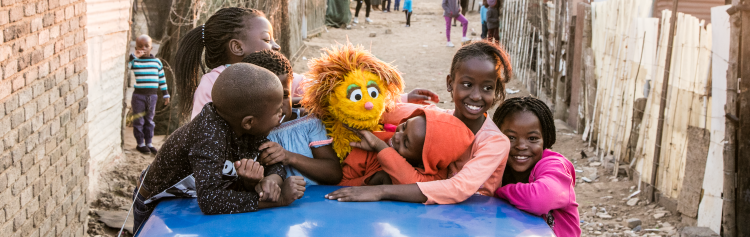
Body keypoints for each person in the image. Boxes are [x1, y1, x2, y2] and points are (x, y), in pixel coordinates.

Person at [325, 41, 513, 204]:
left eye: (487, 88)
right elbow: (376, 110)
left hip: (477, 218)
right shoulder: (432, 118)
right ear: (450, 83)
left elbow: (458, 188)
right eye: (467, 84)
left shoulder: (494, 142)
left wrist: (380, 191)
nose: (476, 95)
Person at [131, 63, 305, 232]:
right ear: (249, 122)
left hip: (186, 201)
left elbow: (271, 158)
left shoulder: (244, 125)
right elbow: (211, 200)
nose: (281, 114)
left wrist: (272, 181)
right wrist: (277, 200)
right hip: (154, 202)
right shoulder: (209, 134)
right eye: (276, 112)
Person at [241, 49, 342, 186]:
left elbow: (334, 173)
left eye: (284, 96)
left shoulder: (308, 122)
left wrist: (289, 157)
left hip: (317, 203)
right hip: (276, 205)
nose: (279, 106)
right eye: (269, 99)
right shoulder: (248, 130)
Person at [492, 96, 581, 237]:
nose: (521, 146)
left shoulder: (554, 165)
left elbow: (539, 200)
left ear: (546, 139)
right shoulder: (496, 163)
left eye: (532, 138)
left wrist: (499, 192)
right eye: (511, 137)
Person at [172, 7, 281, 119]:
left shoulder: (277, 76)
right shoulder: (212, 83)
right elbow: (202, 131)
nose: (277, 46)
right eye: (267, 39)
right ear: (237, 47)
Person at [339, 108, 475, 186]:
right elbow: (338, 183)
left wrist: (380, 148)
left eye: (406, 143)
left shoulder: (434, 175)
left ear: (423, 163)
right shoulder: (373, 143)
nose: (396, 136)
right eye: (403, 127)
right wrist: (370, 181)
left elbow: (412, 183)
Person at [128, 34, 170, 155]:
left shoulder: (157, 62)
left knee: (150, 120)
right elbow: (128, 68)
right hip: (138, 96)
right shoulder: (135, 61)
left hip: (152, 97)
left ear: (151, 47)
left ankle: (149, 143)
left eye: (147, 46)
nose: (144, 48)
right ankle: (140, 143)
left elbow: (162, 79)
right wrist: (133, 57)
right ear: (136, 48)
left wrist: (165, 94)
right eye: (140, 46)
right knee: (139, 120)